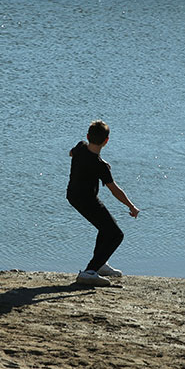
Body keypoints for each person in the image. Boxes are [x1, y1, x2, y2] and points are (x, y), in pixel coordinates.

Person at [66, 120, 139, 286]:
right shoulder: (100, 167)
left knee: (105, 228)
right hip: (86, 200)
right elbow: (115, 190)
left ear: (87, 136)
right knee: (116, 235)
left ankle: (100, 265)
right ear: (106, 141)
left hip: (72, 195)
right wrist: (131, 206)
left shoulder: (80, 147)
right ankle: (90, 271)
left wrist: (99, 160)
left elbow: (71, 153)